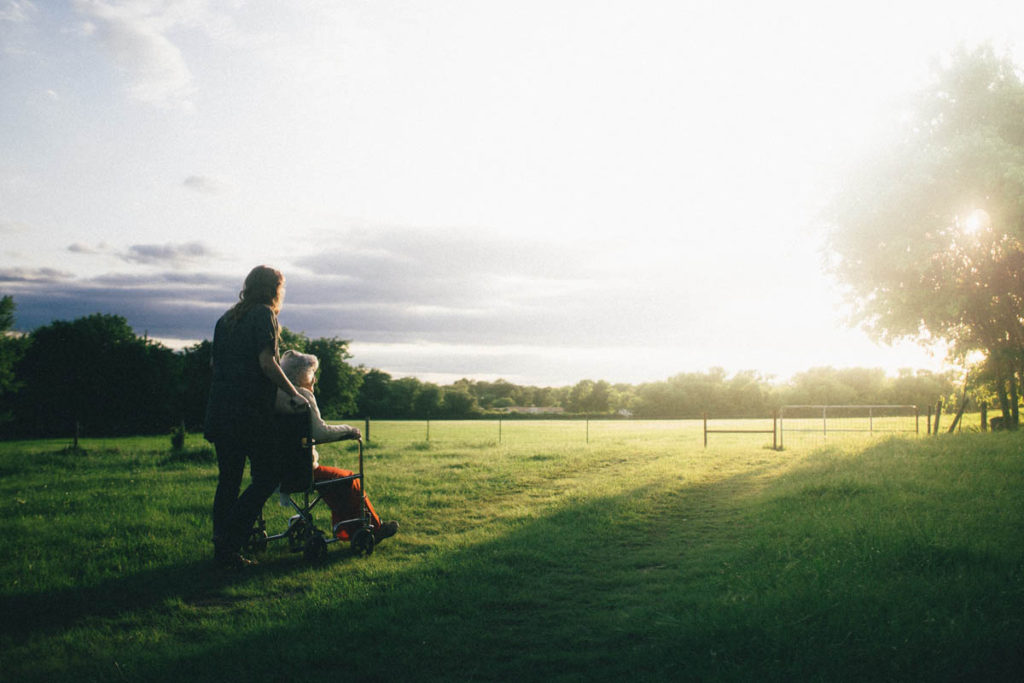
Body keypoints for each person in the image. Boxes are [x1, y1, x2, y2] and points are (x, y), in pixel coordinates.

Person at [204, 266, 309, 569]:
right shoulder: (264, 315)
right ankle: (229, 540)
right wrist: (293, 393)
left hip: (220, 410)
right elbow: (267, 363)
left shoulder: (226, 319)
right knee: (267, 477)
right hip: (248, 414)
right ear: (275, 288)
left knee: (229, 480)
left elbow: (215, 364)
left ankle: (222, 550)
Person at [274, 350, 399, 544]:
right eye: (312, 374)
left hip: (276, 470)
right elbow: (320, 433)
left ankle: (348, 529)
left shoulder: (274, 395)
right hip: (302, 471)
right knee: (348, 479)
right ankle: (373, 527)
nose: (314, 380)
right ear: (302, 375)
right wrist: (349, 430)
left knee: (335, 481)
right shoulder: (302, 396)